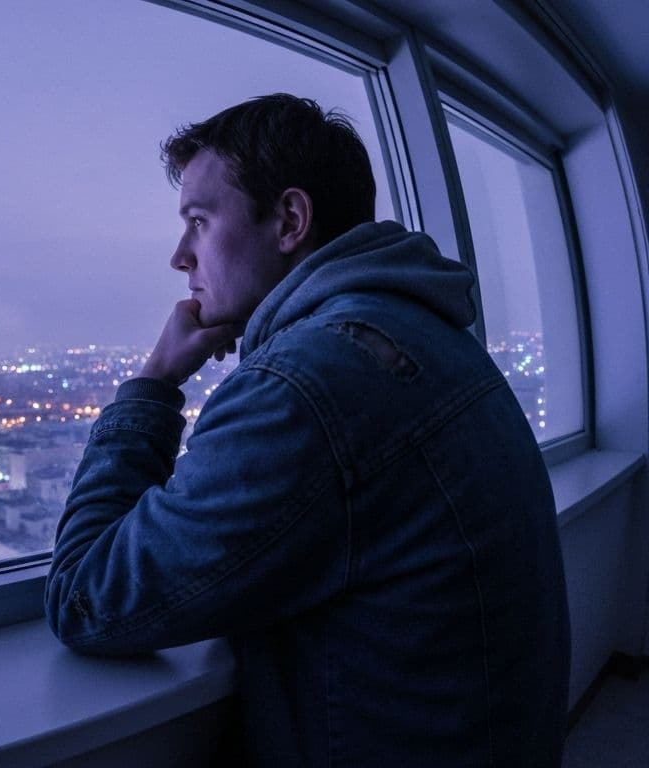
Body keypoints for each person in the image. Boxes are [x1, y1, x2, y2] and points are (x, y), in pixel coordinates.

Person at [44, 93, 569, 766]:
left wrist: (152, 385)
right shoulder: (426, 331)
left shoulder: (303, 389)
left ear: (289, 219)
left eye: (200, 222)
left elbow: (87, 596)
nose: (180, 256)